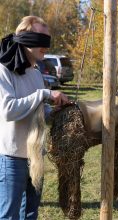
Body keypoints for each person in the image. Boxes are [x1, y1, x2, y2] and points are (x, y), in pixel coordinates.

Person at [0, 16, 69, 219]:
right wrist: (45, 94)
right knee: (9, 215)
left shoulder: (36, 73)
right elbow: (8, 110)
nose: (45, 46)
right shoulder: (4, 70)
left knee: (30, 213)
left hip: (36, 156)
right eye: (40, 39)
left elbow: (37, 111)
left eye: (47, 39)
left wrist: (56, 112)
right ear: (25, 38)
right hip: (12, 157)